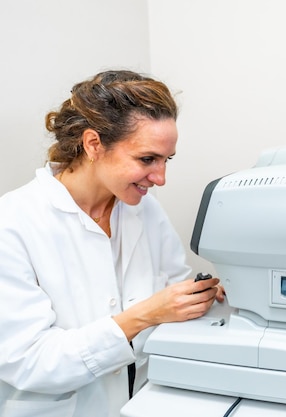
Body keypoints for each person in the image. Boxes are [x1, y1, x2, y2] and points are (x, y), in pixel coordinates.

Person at [0, 70, 225, 417]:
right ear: (94, 144)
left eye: (167, 160)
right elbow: (29, 361)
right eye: (147, 159)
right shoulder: (14, 222)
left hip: (144, 402)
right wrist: (144, 315)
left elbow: (170, 289)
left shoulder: (143, 209)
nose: (161, 178)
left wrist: (200, 297)